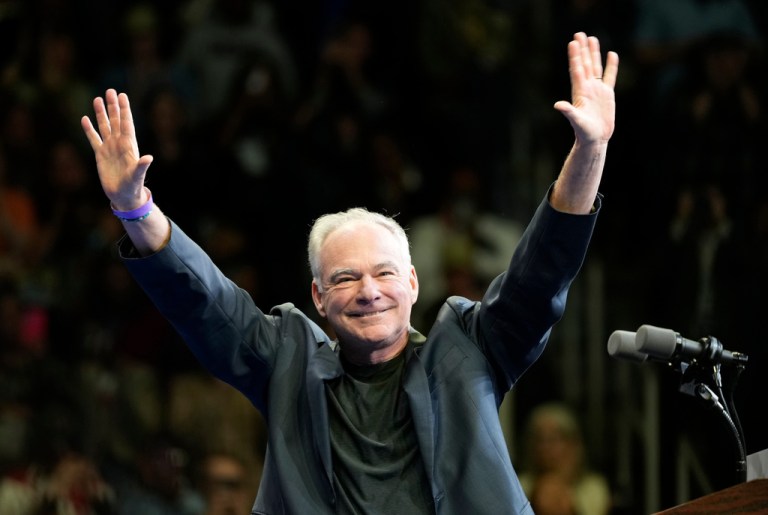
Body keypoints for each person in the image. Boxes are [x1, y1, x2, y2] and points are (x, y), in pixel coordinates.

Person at [81, 31, 618, 515]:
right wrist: (134, 208)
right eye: (345, 278)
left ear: (413, 283)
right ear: (318, 296)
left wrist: (590, 150)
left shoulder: (469, 347)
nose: (368, 292)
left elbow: (539, 275)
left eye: (384, 273)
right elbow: (204, 300)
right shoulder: (286, 362)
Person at [518, 402, 612, 515]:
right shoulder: (520, 486)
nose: (545, 447)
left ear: (572, 444)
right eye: (539, 439)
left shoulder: (593, 488)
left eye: (553, 439)